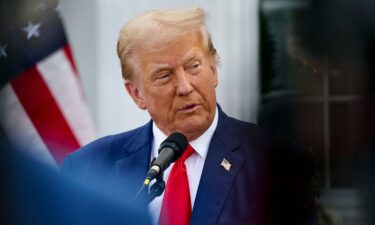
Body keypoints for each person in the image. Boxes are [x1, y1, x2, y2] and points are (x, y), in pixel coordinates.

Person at [62, 7, 317, 225]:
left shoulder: (276, 162)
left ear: (213, 70)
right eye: (164, 76)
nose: (184, 87)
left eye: (193, 66)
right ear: (136, 93)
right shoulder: (88, 169)